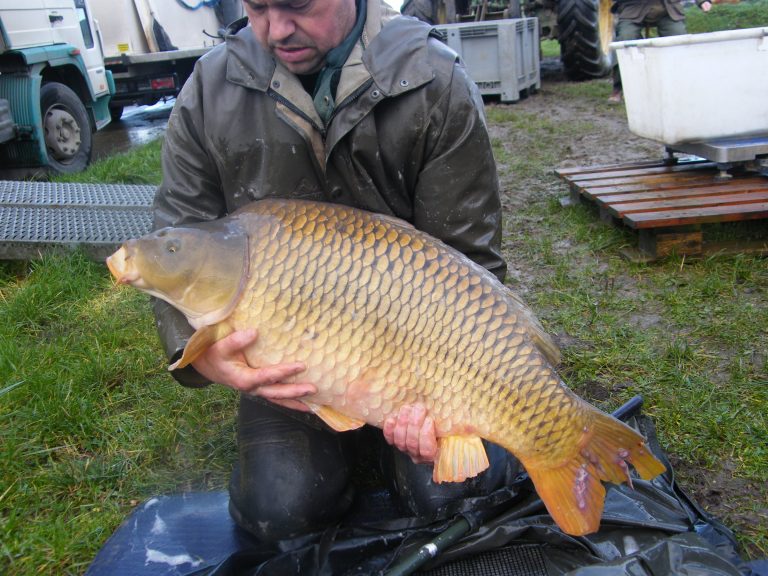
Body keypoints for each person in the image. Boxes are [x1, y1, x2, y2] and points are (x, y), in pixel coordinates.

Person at [152, 0, 520, 543]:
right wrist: (202, 355)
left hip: (419, 352)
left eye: (297, 5)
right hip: (286, 368)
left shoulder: (433, 79)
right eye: (256, 7)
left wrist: (446, 396)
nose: (275, 29)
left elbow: (471, 260)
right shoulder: (211, 89)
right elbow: (177, 247)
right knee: (281, 510)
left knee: (456, 493)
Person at [609, 0, 711, 102]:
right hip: (633, 9)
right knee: (625, 39)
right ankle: (619, 87)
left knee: (678, 40)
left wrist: (702, 1)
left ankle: (680, 86)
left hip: (668, 9)